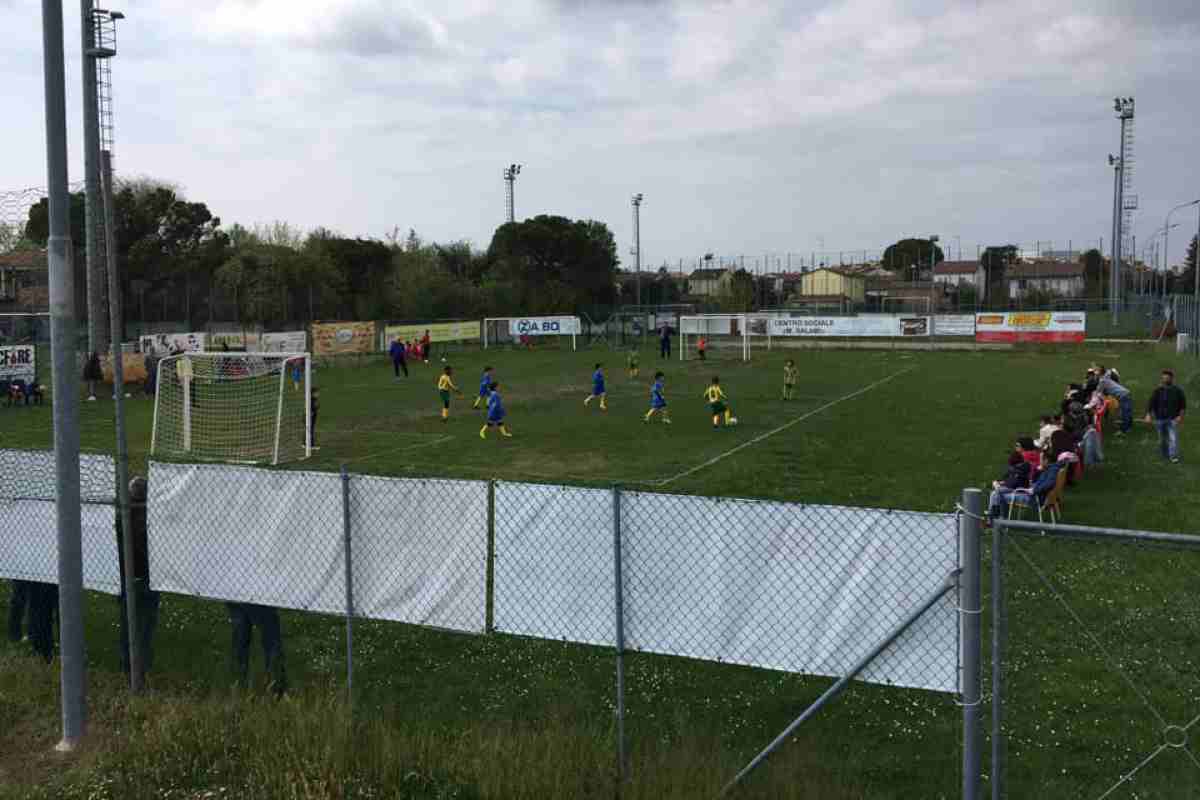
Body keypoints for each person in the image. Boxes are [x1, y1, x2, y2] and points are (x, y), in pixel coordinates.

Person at [116, 476, 161, 680]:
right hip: (147, 579)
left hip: (127, 578)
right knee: (145, 628)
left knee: (128, 626)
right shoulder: (153, 522)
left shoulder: (119, 520)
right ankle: (141, 669)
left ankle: (128, 667)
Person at [226, 602, 287, 695]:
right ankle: (277, 689)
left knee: (240, 637)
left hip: (235, 593)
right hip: (258, 595)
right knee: (271, 635)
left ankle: (238, 685)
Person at [1145, 368, 1186, 463]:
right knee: (1162, 439)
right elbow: (1151, 403)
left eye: (1167, 378)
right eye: (1164, 378)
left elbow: (1183, 405)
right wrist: (1148, 415)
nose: (1165, 380)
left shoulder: (1178, 390)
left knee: (1173, 438)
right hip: (1160, 419)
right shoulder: (1158, 390)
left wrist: (1180, 416)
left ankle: (1173, 456)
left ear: (1172, 379)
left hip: (1172, 419)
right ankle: (1164, 454)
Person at [986, 451, 1033, 517]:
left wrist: (1000, 485)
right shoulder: (1013, 469)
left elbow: (1013, 484)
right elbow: (1005, 478)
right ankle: (994, 514)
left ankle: (993, 514)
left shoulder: (1022, 470)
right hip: (1011, 488)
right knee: (995, 493)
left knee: (996, 492)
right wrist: (998, 482)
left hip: (1018, 490)